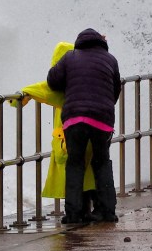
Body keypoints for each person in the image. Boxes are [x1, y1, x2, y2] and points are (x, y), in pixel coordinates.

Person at [13, 41, 100, 213]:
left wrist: (20, 97)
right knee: (89, 175)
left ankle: (76, 214)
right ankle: (94, 211)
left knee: (73, 177)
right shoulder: (86, 79)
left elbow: (41, 89)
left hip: (67, 139)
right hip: (92, 133)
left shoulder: (61, 87)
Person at [46, 28, 121, 224]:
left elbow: (52, 81)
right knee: (102, 162)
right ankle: (107, 212)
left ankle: (73, 214)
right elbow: (116, 89)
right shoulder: (110, 59)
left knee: (75, 163)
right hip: (102, 119)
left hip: (75, 118)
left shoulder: (70, 57)